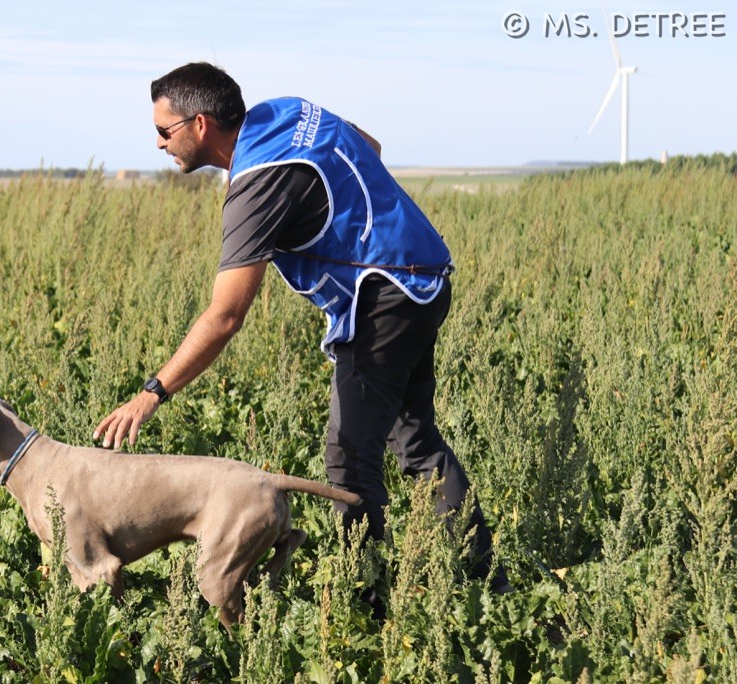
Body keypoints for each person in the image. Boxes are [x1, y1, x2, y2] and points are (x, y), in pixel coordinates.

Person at [93, 62, 510, 597]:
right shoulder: (285, 113)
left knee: (349, 456)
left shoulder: (258, 182)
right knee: (413, 437)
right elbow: (369, 146)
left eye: (163, 130)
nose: (156, 143)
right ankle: (485, 580)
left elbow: (225, 316)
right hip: (422, 274)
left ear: (200, 125)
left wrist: (152, 393)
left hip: (382, 295)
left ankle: (369, 601)